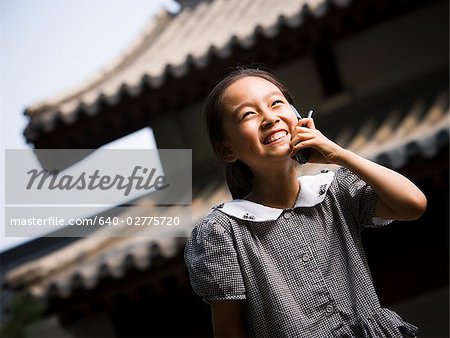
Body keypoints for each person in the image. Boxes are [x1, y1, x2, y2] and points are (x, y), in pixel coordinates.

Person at [184, 67, 426, 337]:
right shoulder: (223, 231)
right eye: (248, 114)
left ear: (297, 117)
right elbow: (229, 331)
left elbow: (412, 205)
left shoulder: (335, 190)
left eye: (276, 103)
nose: (269, 118)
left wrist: (339, 155)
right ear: (227, 150)